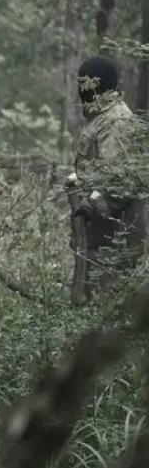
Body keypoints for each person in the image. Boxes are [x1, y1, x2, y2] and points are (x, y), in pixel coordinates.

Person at [68, 56, 145, 296]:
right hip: (102, 219)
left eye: (85, 84)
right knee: (91, 276)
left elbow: (121, 177)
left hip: (115, 220)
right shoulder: (102, 116)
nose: (81, 90)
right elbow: (102, 165)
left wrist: (92, 203)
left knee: (106, 286)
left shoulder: (116, 120)